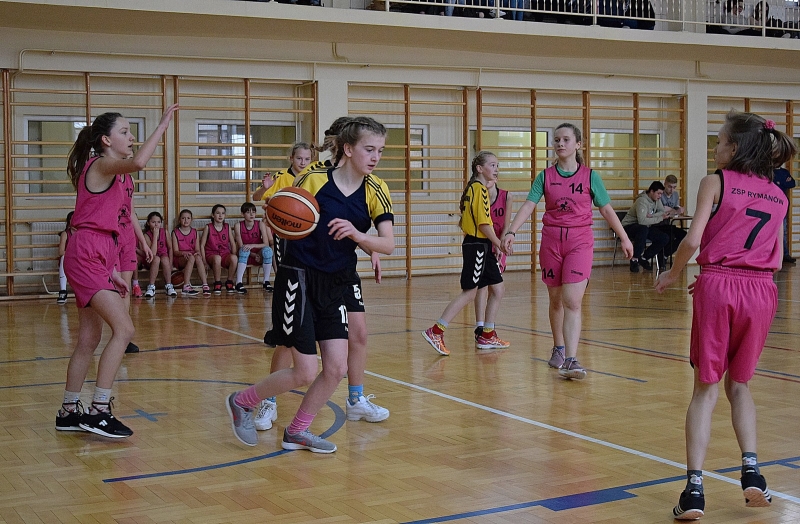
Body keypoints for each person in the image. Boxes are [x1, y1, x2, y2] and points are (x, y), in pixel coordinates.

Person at [655, 111, 796, 520]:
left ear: (734, 148)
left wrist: (674, 274)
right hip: (763, 290)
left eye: (718, 141)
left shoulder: (714, 182)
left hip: (718, 286)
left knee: (705, 389)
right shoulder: (779, 195)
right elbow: (768, 255)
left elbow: (692, 240)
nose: (714, 148)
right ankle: (752, 471)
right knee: (741, 385)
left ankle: (694, 491)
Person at [226, 116, 394, 452]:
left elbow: (388, 243)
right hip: (299, 278)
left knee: (336, 368)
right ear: (348, 149)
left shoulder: (376, 189)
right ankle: (243, 402)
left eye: (380, 150)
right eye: (369, 149)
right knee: (304, 371)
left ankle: (297, 431)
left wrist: (359, 236)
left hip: (337, 282)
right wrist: (278, 215)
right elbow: (283, 215)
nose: (376, 157)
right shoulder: (314, 178)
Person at [56, 105, 177, 438]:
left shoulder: (116, 174)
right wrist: (162, 125)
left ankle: (68, 411)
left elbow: (104, 221)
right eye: (125, 132)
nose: (132, 137)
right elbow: (139, 162)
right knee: (124, 329)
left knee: (88, 339)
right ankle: (99, 411)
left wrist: (109, 270)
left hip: (94, 253)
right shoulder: (102, 163)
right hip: (87, 252)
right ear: (106, 140)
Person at [502, 123, 633, 379]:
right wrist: (511, 231)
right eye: (557, 140)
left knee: (572, 300)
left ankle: (572, 359)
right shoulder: (545, 176)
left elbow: (606, 209)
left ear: (578, 145)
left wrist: (625, 237)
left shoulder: (590, 177)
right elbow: (529, 205)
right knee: (555, 300)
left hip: (579, 242)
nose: (560, 143)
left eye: (566, 139)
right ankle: (559, 348)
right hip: (552, 242)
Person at [422, 151, 509, 357]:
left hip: (482, 245)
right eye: (492, 165)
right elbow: (483, 224)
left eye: (497, 165)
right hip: (477, 245)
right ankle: (436, 331)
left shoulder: (477, 188)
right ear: (479, 169)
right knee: (470, 292)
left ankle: (487, 335)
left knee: (498, 289)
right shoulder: (478, 189)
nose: (496, 169)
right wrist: (499, 243)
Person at [254, 141, 314, 290]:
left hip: (307, 229)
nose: (303, 162)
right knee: (284, 266)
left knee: (307, 265)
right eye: (299, 158)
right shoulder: (280, 176)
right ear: (291, 158)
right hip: (284, 230)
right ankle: (283, 293)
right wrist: (265, 188)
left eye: (307, 159)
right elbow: (256, 197)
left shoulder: (313, 177)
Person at [473, 179, 512, 342]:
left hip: (498, 243)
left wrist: (500, 245)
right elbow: (481, 225)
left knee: (495, 287)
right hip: (483, 243)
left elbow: (506, 226)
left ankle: (487, 329)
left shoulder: (506, 196)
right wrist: (495, 243)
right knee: (482, 285)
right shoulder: (478, 195)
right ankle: (481, 327)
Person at [621, 181, 679, 272]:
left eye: (661, 194)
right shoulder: (641, 201)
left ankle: (644, 258)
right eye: (658, 193)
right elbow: (642, 221)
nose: (660, 196)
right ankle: (634, 259)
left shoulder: (657, 200)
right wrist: (660, 218)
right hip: (628, 226)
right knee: (643, 229)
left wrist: (652, 216)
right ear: (652, 191)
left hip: (645, 226)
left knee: (664, 237)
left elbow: (662, 211)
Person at [233, 202, 274, 294]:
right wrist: (253, 254)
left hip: (258, 254)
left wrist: (253, 247)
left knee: (268, 251)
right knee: (243, 250)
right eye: (248, 212)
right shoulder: (238, 225)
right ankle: (238, 283)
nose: (251, 214)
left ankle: (266, 282)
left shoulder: (260, 224)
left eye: (253, 212)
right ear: (242, 214)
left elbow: (266, 243)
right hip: (247, 254)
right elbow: (241, 245)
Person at [137, 211, 177, 299]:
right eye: (153, 222)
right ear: (148, 223)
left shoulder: (165, 232)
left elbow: (170, 248)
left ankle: (169, 285)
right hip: (150, 260)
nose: (156, 224)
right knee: (156, 259)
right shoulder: (146, 235)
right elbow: (153, 253)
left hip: (163, 258)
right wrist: (155, 236)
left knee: (165, 259)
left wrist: (170, 263)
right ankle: (151, 286)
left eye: (158, 222)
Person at [200, 204, 237, 294]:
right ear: (213, 215)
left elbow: (232, 243)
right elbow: (202, 245)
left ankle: (229, 281)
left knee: (234, 258)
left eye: (223, 213)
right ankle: (217, 282)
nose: (220, 215)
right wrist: (204, 261)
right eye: (218, 213)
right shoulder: (208, 227)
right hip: (211, 254)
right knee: (217, 258)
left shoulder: (227, 227)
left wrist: (235, 256)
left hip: (224, 253)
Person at [172, 209, 208, 296]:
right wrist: (183, 253)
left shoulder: (194, 232)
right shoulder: (175, 232)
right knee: (191, 258)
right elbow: (175, 252)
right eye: (183, 218)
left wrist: (198, 253)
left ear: (191, 220)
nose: (186, 220)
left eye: (188, 218)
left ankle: (205, 284)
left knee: (197, 257)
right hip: (180, 257)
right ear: (179, 220)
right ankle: (186, 286)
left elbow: (197, 249)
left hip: (192, 256)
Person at [773, 163, 796, 263]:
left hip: (782, 204)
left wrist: (780, 183)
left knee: (783, 230)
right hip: (772, 204)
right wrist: (781, 182)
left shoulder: (784, 172)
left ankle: (784, 254)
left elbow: (792, 183)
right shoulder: (770, 172)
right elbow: (773, 185)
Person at [56, 211, 74, 305]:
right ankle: (63, 291)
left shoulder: (83, 233)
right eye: (72, 219)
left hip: (80, 261)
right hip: (69, 261)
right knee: (63, 257)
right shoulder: (65, 234)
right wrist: (74, 254)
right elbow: (60, 252)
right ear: (69, 221)